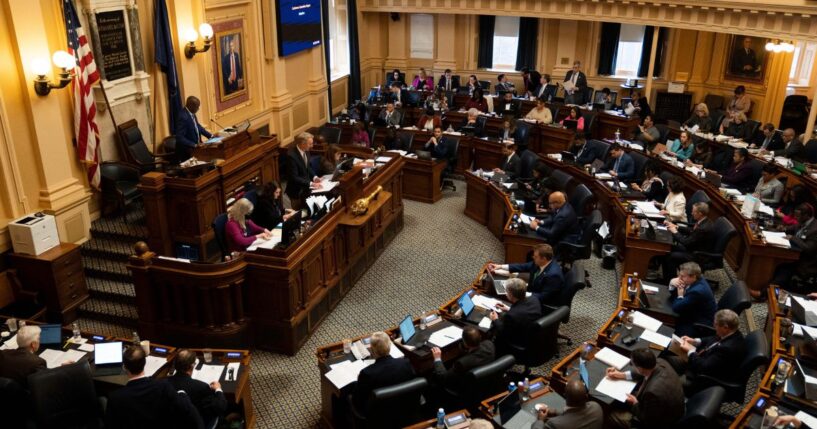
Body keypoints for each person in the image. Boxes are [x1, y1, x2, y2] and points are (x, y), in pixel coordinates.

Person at [105, 346, 204, 429]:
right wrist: (182, 394)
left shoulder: (115, 397)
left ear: (124, 367)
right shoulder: (162, 386)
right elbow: (187, 410)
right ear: (144, 363)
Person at [671, 309, 746, 395]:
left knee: (668, 381)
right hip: (699, 359)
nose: (713, 326)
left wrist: (690, 351)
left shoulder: (727, 349)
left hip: (701, 378)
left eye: (716, 324)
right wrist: (695, 341)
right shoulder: (732, 332)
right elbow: (713, 338)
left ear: (725, 327)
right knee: (668, 358)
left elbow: (704, 367)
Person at [605, 348, 685, 429]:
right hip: (674, 406)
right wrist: (621, 375)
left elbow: (647, 420)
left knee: (611, 415)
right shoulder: (660, 361)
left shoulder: (652, 392)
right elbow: (642, 371)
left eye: (632, 364)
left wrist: (635, 403)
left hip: (664, 422)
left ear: (640, 368)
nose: (632, 365)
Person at [352, 332, 415, 412]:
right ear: (389, 346)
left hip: (377, 416)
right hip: (404, 409)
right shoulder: (405, 363)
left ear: (372, 350)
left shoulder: (367, 373)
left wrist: (359, 381)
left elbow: (357, 401)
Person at [167, 349, 228, 429]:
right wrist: (218, 389)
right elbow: (220, 407)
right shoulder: (201, 387)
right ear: (192, 365)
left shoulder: (163, 383)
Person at [489, 244, 564, 305]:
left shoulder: (554, 275)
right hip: (531, 289)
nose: (533, 257)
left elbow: (543, 297)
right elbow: (522, 266)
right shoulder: (540, 263)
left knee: (505, 295)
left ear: (544, 258)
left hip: (538, 301)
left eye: (536, 256)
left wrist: (520, 294)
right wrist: (500, 266)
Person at [430, 326, 495, 392]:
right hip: (487, 384)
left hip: (464, 390)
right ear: (480, 337)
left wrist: (437, 359)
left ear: (465, 343)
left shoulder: (461, 363)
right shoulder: (489, 344)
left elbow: (444, 378)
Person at [487, 278, 543, 354]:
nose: (505, 293)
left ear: (511, 295)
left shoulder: (511, 315)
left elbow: (503, 332)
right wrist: (508, 308)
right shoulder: (534, 299)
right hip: (532, 332)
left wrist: (495, 319)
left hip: (520, 340)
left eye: (506, 291)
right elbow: (524, 312)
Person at [662, 202, 714, 284]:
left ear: (700, 213)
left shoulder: (703, 229)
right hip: (693, 248)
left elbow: (686, 242)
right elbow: (691, 230)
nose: (691, 213)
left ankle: (669, 283)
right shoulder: (704, 221)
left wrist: (675, 232)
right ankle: (666, 278)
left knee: (670, 257)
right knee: (667, 248)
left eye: (693, 211)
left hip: (697, 255)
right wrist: (676, 227)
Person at [771, 203, 817, 293]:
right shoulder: (803, 221)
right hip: (794, 254)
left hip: (806, 262)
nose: (796, 218)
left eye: (798, 216)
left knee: (783, 267)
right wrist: (783, 229)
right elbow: (793, 228)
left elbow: (808, 249)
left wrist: (793, 238)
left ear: (807, 216)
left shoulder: (815, 229)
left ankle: (764, 293)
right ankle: (772, 290)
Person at [667, 262, 717, 337]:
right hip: (693, 312)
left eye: (682, 276)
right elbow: (675, 295)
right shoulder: (697, 279)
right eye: (679, 275)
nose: (679, 278)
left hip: (698, 322)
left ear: (693, 276)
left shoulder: (697, 291)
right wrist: (672, 284)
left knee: (669, 334)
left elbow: (676, 308)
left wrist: (680, 295)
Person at [532, 378, 603, 429]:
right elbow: (576, 413)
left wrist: (540, 420)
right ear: (586, 396)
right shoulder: (596, 407)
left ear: (565, 396)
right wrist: (555, 412)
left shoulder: (554, 424)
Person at [285, 132, 322, 210]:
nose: (312, 146)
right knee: (299, 212)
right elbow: (294, 177)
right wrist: (311, 183)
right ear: (302, 144)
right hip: (296, 191)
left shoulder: (306, 151)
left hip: (306, 189)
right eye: (310, 144)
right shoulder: (291, 156)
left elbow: (307, 167)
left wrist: (315, 177)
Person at [175, 96, 213, 162]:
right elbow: (179, 137)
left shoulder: (191, 113)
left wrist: (210, 136)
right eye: (197, 106)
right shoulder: (183, 117)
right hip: (188, 151)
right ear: (191, 106)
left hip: (197, 148)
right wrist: (194, 145)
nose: (198, 109)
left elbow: (197, 126)